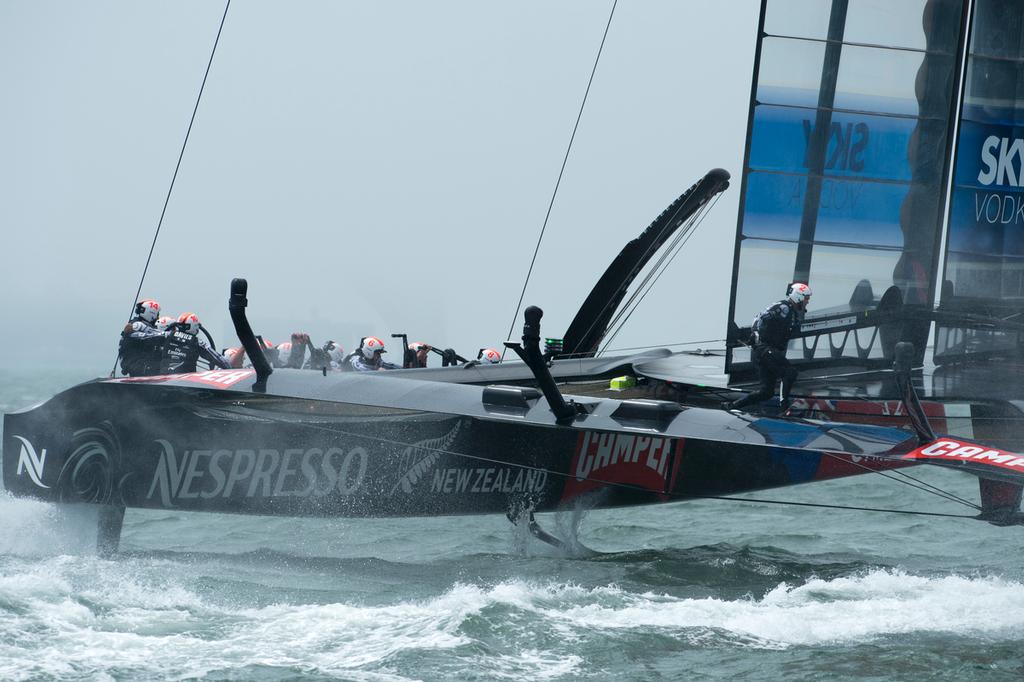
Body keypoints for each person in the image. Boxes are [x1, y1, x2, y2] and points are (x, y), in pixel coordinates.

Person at [727, 282, 811, 411]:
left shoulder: (793, 313)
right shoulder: (783, 307)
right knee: (789, 373)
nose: (807, 302)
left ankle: (732, 406)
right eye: (806, 298)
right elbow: (759, 318)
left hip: (768, 352)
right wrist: (755, 335)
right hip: (764, 349)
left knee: (766, 392)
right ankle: (784, 408)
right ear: (798, 296)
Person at [160, 312, 231, 374]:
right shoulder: (198, 342)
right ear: (195, 327)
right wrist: (231, 369)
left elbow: (150, 335)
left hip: (164, 380)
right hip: (185, 383)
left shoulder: (167, 335)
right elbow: (219, 359)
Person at [118, 299, 166, 376]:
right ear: (152, 313)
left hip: (135, 364)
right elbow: (153, 334)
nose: (158, 317)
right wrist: (171, 335)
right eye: (157, 314)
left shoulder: (135, 323)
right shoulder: (137, 325)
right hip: (138, 365)